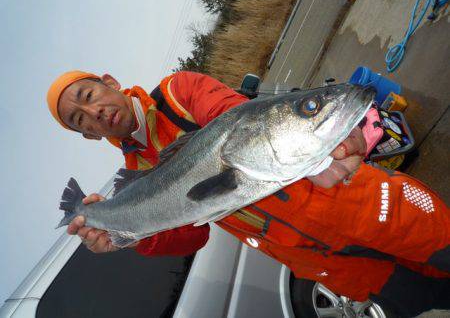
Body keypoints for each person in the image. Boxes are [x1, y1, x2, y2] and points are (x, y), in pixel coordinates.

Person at [47, 70, 449, 317]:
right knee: (430, 296)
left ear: (109, 84)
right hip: (320, 261)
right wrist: (119, 237)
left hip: (367, 208)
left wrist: (325, 141)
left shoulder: (176, 93)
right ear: (88, 134)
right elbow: (193, 234)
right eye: (81, 119)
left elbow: (234, 116)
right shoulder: (135, 176)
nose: (95, 112)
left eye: (88, 97)